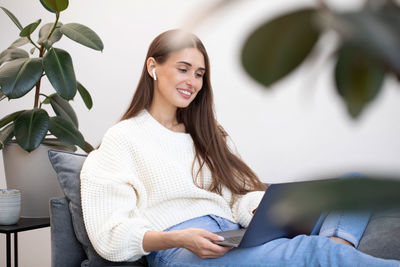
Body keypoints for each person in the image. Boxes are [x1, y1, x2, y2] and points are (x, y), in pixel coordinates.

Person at [80, 29, 399, 267]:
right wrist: (178, 237)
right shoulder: (122, 139)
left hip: (233, 237)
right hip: (183, 252)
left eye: (199, 73)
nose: (192, 81)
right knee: (316, 252)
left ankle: (337, 246)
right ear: (153, 67)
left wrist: (259, 210)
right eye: (183, 68)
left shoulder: (208, 135)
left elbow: (237, 198)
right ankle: (331, 254)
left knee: (352, 183)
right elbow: (110, 235)